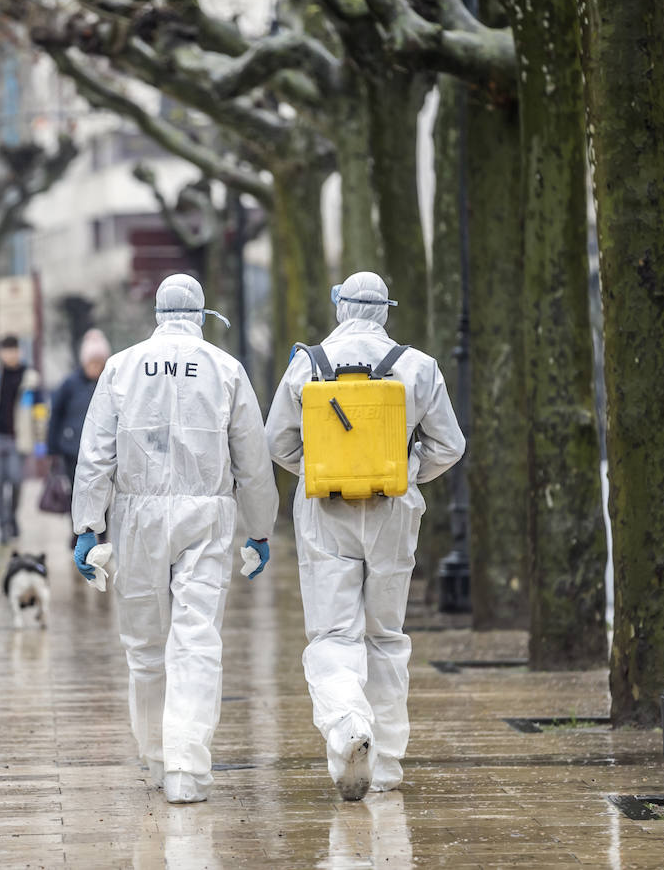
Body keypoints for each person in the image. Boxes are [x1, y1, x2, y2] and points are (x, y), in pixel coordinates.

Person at [71, 273, 279, 804]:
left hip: (136, 515)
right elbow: (252, 460)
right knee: (196, 638)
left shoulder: (121, 367)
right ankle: (187, 762)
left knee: (144, 644)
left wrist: (88, 525)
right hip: (206, 513)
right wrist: (259, 528)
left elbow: (95, 455)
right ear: (201, 313)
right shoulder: (225, 368)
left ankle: (155, 755)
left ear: (158, 313)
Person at [265, 271, 465, 800]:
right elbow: (450, 445)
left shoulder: (307, 364)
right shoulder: (418, 366)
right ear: (385, 310)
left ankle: (348, 724)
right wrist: (404, 468)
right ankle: (389, 764)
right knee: (385, 636)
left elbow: (277, 442)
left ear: (339, 307)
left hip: (325, 511)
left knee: (334, 634)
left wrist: (320, 469)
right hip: (393, 511)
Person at [0, 335, 42, 545]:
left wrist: (40, 439)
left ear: (19, 351)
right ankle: (3, 525)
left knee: (16, 480)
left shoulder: (30, 377)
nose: (10, 355)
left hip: (18, 438)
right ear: (0, 352)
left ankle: (12, 516)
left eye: (14, 350)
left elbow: (39, 410)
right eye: (6, 351)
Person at [47, 328, 111, 485]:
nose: (96, 367)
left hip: (103, 450)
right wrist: (52, 448)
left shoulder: (111, 383)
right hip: (73, 447)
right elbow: (56, 414)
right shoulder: (70, 384)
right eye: (92, 363)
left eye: (99, 363)